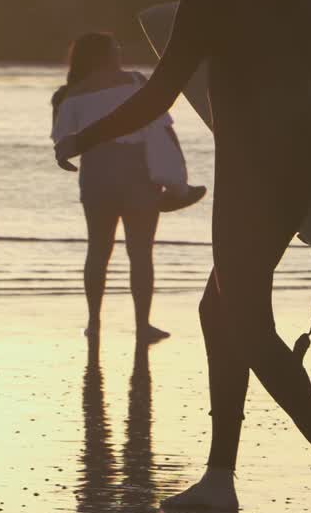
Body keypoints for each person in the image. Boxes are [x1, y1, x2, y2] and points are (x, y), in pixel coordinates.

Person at [53, 0, 311, 513]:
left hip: (249, 175)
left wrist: (84, 135)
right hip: (297, 174)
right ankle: (220, 478)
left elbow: (161, 92)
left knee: (245, 323)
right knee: (220, 311)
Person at [51, 32, 205, 344]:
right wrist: (176, 174)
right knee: (140, 252)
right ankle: (142, 326)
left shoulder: (70, 94)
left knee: (98, 250)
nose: (120, 52)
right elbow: (162, 125)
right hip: (138, 175)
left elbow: (62, 144)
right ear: (103, 55)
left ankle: (94, 324)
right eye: (115, 48)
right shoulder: (135, 81)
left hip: (95, 175)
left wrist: (68, 157)